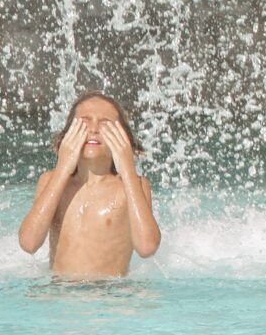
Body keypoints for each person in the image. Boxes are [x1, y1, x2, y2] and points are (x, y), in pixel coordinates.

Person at [18, 91, 160, 278]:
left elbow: (147, 247)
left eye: (105, 123)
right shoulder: (51, 181)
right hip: (60, 293)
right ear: (68, 133)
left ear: (123, 137)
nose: (93, 129)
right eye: (84, 121)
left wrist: (127, 168)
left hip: (110, 294)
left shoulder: (133, 186)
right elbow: (29, 243)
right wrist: (62, 168)